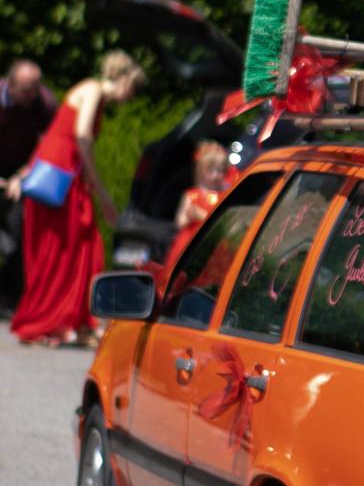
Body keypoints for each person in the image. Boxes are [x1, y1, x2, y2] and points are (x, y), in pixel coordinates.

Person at [5, 51, 144, 346]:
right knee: (63, 249)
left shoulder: (93, 94)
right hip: (61, 177)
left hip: (65, 176)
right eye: (133, 88)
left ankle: (74, 321)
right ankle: (55, 321)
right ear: (124, 79)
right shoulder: (93, 89)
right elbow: (81, 135)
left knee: (77, 247)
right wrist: (101, 188)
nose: (131, 96)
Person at [0, 60, 58, 317]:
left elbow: (46, 147)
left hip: (19, 175)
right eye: (26, 90)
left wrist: (21, 177)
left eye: (35, 88)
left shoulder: (44, 104)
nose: (32, 96)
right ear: (9, 85)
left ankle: (10, 299)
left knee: (17, 238)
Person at [164, 141, 229, 269]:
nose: (216, 175)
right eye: (211, 171)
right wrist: (189, 217)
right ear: (201, 171)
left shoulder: (224, 195)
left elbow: (223, 222)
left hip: (214, 247)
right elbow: (179, 222)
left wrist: (201, 215)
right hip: (189, 245)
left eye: (220, 171)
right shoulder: (192, 195)